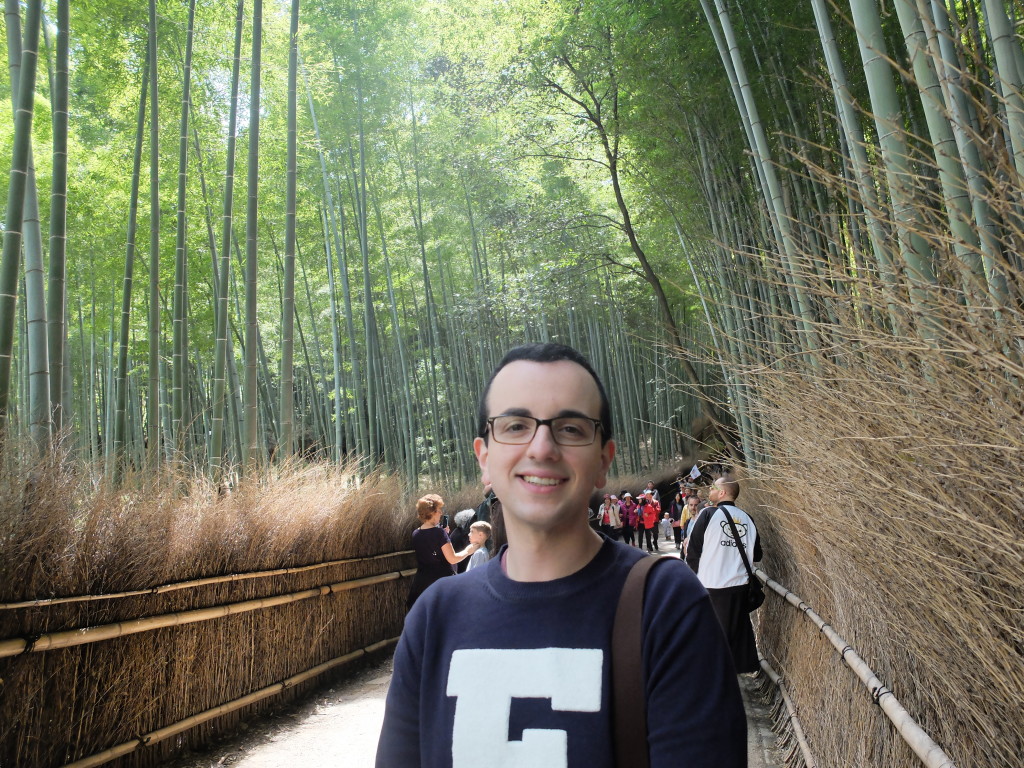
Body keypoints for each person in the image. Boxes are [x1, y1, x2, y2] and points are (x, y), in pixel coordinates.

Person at [377, 343, 745, 767]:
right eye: (515, 425)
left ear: (604, 459)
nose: (542, 448)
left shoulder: (665, 604)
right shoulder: (434, 619)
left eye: (570, 428)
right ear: (484, 458)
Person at [685, 477, 762, 674]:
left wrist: (695, 580)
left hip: (712, 585)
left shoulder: (708, 514)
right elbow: (758, 554)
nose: (709, 490)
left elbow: (693, 552)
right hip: (740, 586)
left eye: (713, 487)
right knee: (734, 635)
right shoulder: (747, 519)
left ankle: (714, 679)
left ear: (722, 493)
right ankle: (728, 676)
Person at [405, 494, 480, 609]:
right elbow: (452, 558)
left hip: (422, 583)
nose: (441, 513)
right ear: (432, 512)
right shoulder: (439, 533)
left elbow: (431, 549)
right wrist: (468, 550)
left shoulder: (416, 533)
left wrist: (444, 535)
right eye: (439, 510)